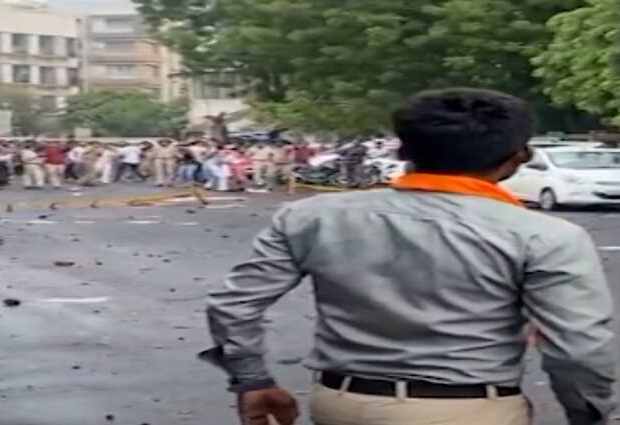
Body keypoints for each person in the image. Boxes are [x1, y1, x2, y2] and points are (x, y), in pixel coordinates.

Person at [202, 88, 615, 425]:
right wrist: (591, 415)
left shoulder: (310, 216)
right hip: (468, 410)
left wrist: (251, 379)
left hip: (341, 405)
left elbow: (234, 304)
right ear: (518, 157)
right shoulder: (545, 235)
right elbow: (578, 348)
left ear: (402, 150)